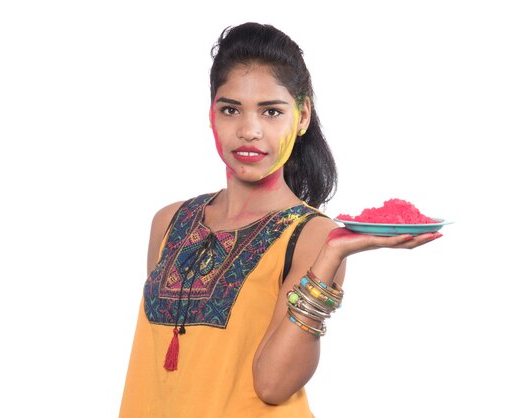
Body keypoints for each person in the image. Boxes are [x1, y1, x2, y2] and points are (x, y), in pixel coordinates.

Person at [119, 22, 441, 418]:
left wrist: (332, 255)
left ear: (302, 116)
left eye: (271, 111)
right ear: (211, 114)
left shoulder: (313, 235)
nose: (249, 130)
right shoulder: (169, 221)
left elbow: (273, 385)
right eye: (230, 109)